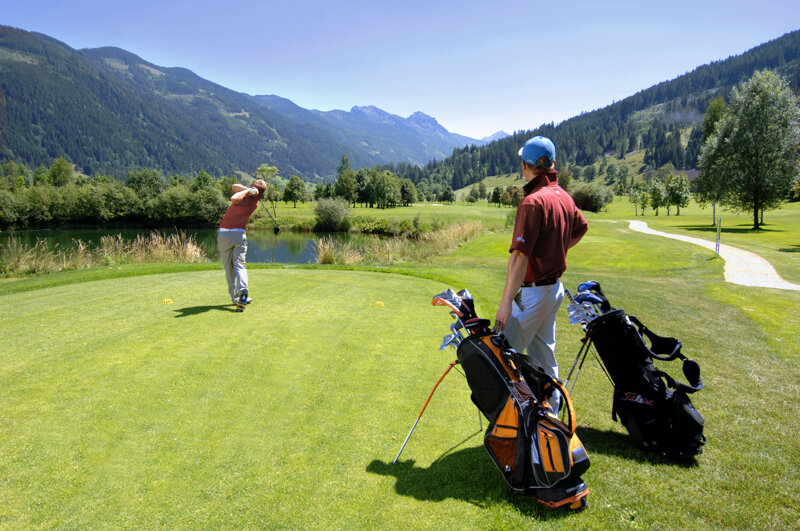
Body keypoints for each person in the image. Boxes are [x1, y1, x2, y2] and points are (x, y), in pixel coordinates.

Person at [493, 136, 588, 413]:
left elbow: (519, 256)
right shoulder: (563, 197)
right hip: (553, 290)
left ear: (525, 165)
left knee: (501, 358)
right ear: (552, 164)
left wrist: (505, 302)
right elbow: (580, 229)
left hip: (533, 294)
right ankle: (552, 420)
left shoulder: (533, 203)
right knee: (545, 359)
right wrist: (555, 251)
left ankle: (516, 420)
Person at [217, 179, 267, 312]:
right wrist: (251, 190)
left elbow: (233, 197)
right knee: (240, 265)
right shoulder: (255, 202)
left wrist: (247, 190)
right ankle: (243, 290)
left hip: (224, 234)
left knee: (229, 268)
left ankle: (235, 297)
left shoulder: (243, 198)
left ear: (253, 187)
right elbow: (234, 186)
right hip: (239, 235)